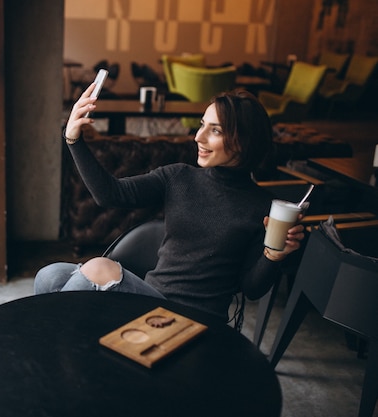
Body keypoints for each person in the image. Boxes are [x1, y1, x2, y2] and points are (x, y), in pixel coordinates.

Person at [34, 86, 305, 322]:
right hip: (151, 295)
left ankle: (57, 347)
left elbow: (251, 289)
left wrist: (274, 256)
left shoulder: (261, 206)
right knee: (50, 275)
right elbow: (110, 194)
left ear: (243, 141)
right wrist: (74, 139)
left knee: (99, 268)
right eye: (202, 125)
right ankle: (69, 341)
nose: (198, 138)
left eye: (215, 131)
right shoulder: (179, 177)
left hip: (196, 318)